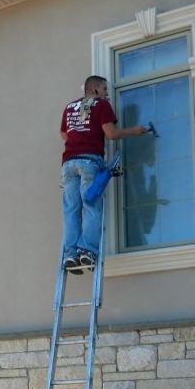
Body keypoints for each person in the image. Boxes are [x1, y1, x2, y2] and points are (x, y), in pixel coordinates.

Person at [60, 75, 147, 273]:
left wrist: (78, 141)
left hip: (68, 163)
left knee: (71, 210)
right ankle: (87, 250)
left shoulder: (69, 107)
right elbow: (111, 134)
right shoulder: (101, 105)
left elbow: (65, 134)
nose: (107, 93)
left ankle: (70, 254)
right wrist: (135, 131)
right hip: (89, 162)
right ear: (96, 89)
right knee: (91, 205)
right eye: (105, 89)